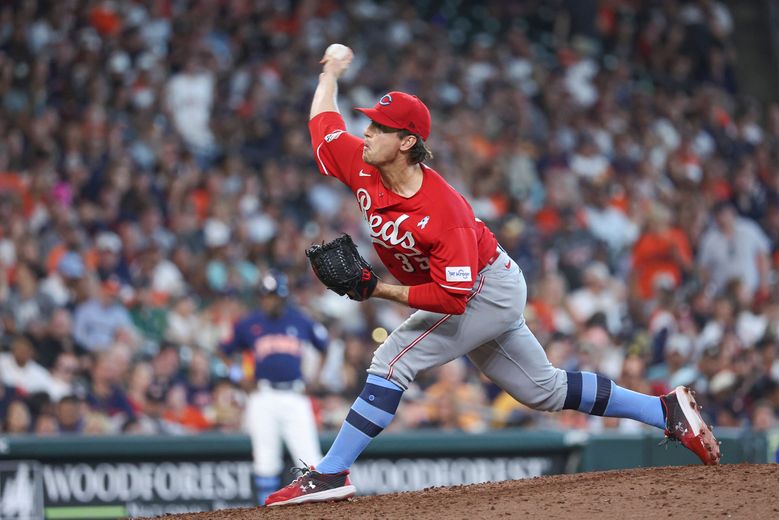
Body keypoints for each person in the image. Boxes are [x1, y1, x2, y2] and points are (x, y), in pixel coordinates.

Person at [265, 44, 721, 507]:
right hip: (477, 288)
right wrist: (330, 74)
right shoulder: (362, 162)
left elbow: (452, 299)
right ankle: (663, 410)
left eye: (380, 128)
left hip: (484, 287)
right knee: (543, 390)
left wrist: (378, 290)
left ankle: (330, 472)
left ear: (406, 142)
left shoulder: (445, 211)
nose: (367, 132)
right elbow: (324, 128)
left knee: (393, 361)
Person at [220, 271, 329, 505]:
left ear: (283, 297)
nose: (270, 301)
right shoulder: (249, 323)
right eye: (266, 296)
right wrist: (239, 376)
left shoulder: (299, 319)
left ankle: (319, 508)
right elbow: (223, 351)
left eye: (274, 296)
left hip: (295, 393)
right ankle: (266, 509)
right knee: (265, 459)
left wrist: (315, 379)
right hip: (263, 395)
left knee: (311, 459)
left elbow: (324, 346)